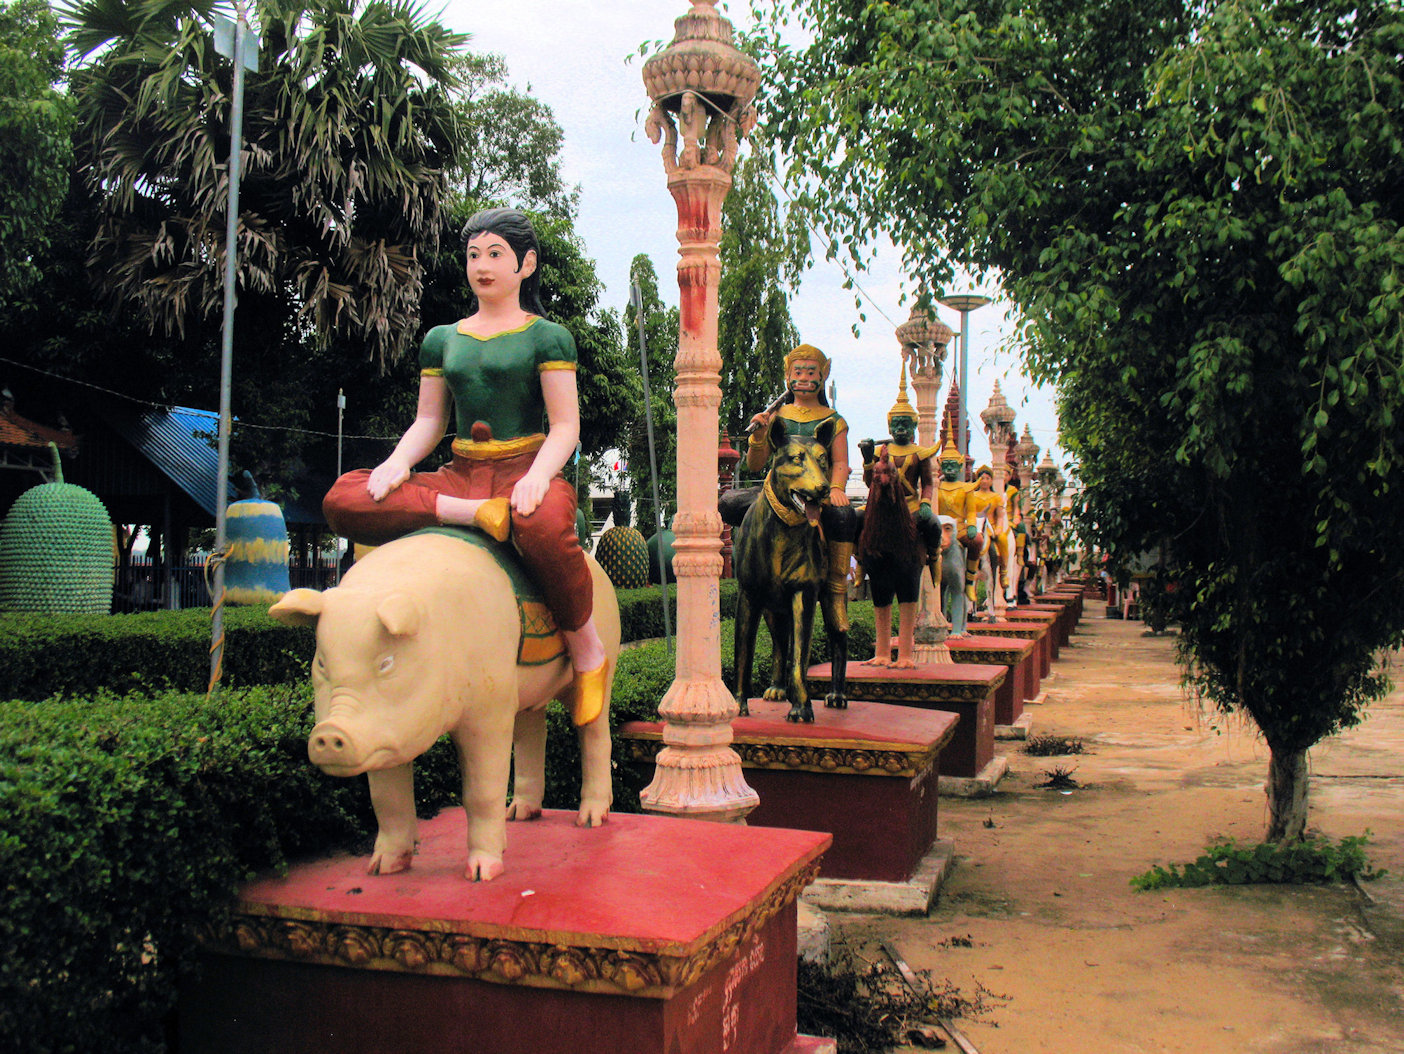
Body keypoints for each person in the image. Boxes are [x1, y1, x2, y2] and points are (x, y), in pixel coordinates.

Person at [322, 207, 608, 725]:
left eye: (495, 254)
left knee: (541, 528)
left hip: (523, 468)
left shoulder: (547, 337)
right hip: (458, 478)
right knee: (345, 496)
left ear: (526, 264)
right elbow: (429, 422)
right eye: (474, 254)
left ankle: (587, 652)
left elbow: (566, 426)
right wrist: (397, 463)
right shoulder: (442, 339)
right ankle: (470, 514)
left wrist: (540, 476)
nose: (482, 265)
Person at [742, 344, 858, 635]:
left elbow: (841, 462)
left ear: (823, 374)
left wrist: (835, 488)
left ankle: (835, 591)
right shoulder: (776, 417)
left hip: (817, 491)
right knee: (733, 506)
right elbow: (755, 465)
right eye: (798, 372)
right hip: (779, 493)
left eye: (811, 372)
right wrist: (758, 434)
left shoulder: (833, 419)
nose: (804, 377)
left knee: (844, 517)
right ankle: (749, 573)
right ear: (787, 375)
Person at [855, 367, 941, 666]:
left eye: (906, 423)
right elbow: (870, 483)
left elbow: (927, 483)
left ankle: (932, 555)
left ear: (914, 425)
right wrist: (868, 459)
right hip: (880, 507)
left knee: (932, 525)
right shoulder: (882, 451)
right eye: (897, 423)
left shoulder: (919, 453)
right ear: (890, 425)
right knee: (853, 520)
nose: (902, 428)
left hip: (913, 507)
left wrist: (928, 503)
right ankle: (855, 563)